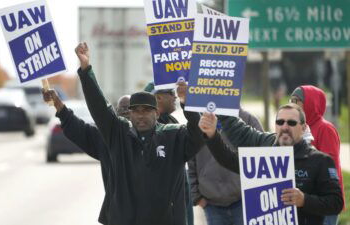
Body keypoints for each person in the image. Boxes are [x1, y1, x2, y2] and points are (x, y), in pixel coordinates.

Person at [72, 42, 204, 225]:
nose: (140, 115)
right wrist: (86, 69)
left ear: (157, 113)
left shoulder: (174, 136)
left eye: (146, 110)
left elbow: (198, 135)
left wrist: (186, 102)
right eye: (136, 111)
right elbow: (100, 108)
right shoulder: (119, 135)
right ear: (130, 113)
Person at [198, 103, 343, 225]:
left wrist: (304, 200)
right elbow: (228, 160)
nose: (285, 127)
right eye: (280, 122)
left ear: (304, 128)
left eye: (291, 123)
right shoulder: (264, 155)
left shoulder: (320, 161)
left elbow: (336, 203)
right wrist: (212, 136)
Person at [188, 107, 263, 225]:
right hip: (212, 204)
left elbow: (262, 155)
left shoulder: (247, 118)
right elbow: (190, 159)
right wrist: (196, 197)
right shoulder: (199, 120)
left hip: (244, 200)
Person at [290, 85, 344, 225]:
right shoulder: (298, 127)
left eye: (297, 101)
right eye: (291, 100)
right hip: (307, 201)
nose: (292, 105)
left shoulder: (325, 128)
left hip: (324, 202)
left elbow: (329, 164)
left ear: (310, 103)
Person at [144, 82, 194, 225]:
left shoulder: (173, 122)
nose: (175, 97)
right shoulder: (145, 128)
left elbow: (195, 140)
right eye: (171, 93)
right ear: (158, 98)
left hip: (180, 198)